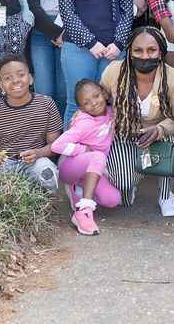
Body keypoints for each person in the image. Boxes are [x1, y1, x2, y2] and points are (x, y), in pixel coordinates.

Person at [102, 26, 174, 216]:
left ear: (161, 52)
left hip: (159, 136)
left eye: (151, 50)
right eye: (138, 50)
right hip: (123, 134)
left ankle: (166, 195)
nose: (145, 56)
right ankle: (131, 179)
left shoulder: (173, 77)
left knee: (169, 144)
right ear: (130, 52)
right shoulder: (114, 72)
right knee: (123, 186)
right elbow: (101, 102)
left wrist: (159, 130)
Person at [0, 54, 63, 193]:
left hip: (35, 161)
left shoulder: (46, 104)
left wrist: (38, 153)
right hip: (6, 163)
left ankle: (44, 202)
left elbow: (55, 145)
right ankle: (5, 202)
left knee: (47, 171)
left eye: (21, 74)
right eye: (7, 78)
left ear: (30, 78)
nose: (16, 81)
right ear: (1, 86)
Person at [53, 78, 121, 235]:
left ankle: (82, 188)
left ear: (104, 94)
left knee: (113, 200)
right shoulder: (84, 123)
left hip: (93, 169)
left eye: (96, 96)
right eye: (87, 102)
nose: (94, 103)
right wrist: (83, 150)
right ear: (81, 108)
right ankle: (84, 210)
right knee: (97, 156)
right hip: (70, 168)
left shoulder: (112, 113)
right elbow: (57, 145)